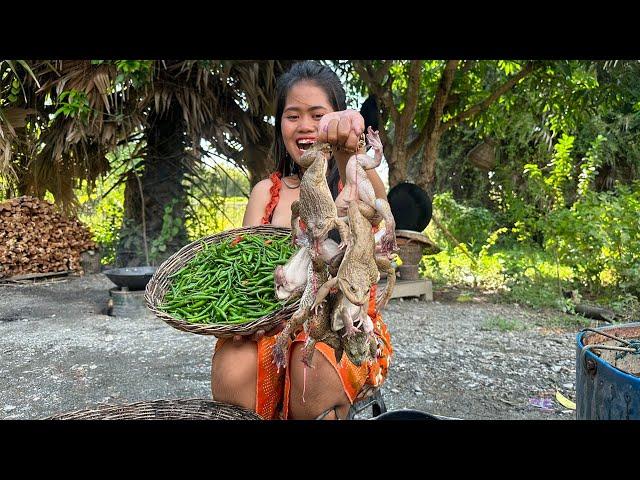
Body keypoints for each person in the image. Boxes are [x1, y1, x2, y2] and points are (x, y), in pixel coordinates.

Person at [210, 61, 393, 420]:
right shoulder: (267, 193)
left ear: (334, 116)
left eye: (318, 115)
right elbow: (242, 267)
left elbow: (369, 203)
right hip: (270, 320)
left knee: (309, 370)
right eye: (292, 116)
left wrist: (347, 145)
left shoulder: (357, 181)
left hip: (342, 323)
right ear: (280, 125)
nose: (305, 126)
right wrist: (238, 320)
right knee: (232, 367)